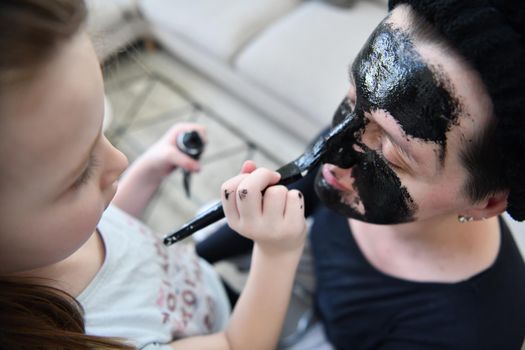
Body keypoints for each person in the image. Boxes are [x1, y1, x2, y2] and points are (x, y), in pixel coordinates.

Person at [196, 0, 525, 349]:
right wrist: (200, 255)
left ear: (487, 203)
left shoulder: (469, 333)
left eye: (392, 154)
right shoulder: (354, 136)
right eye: (353, 97)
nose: (332, 153)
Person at [0, 1, 307, 349]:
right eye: (81, 172)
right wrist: (278, 252)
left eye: (103, 135)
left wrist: (149, 171)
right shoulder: (94, 338)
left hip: (205, 289)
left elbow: (111, 225)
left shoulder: (47, 240)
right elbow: (239, 342)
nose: (119, 159)